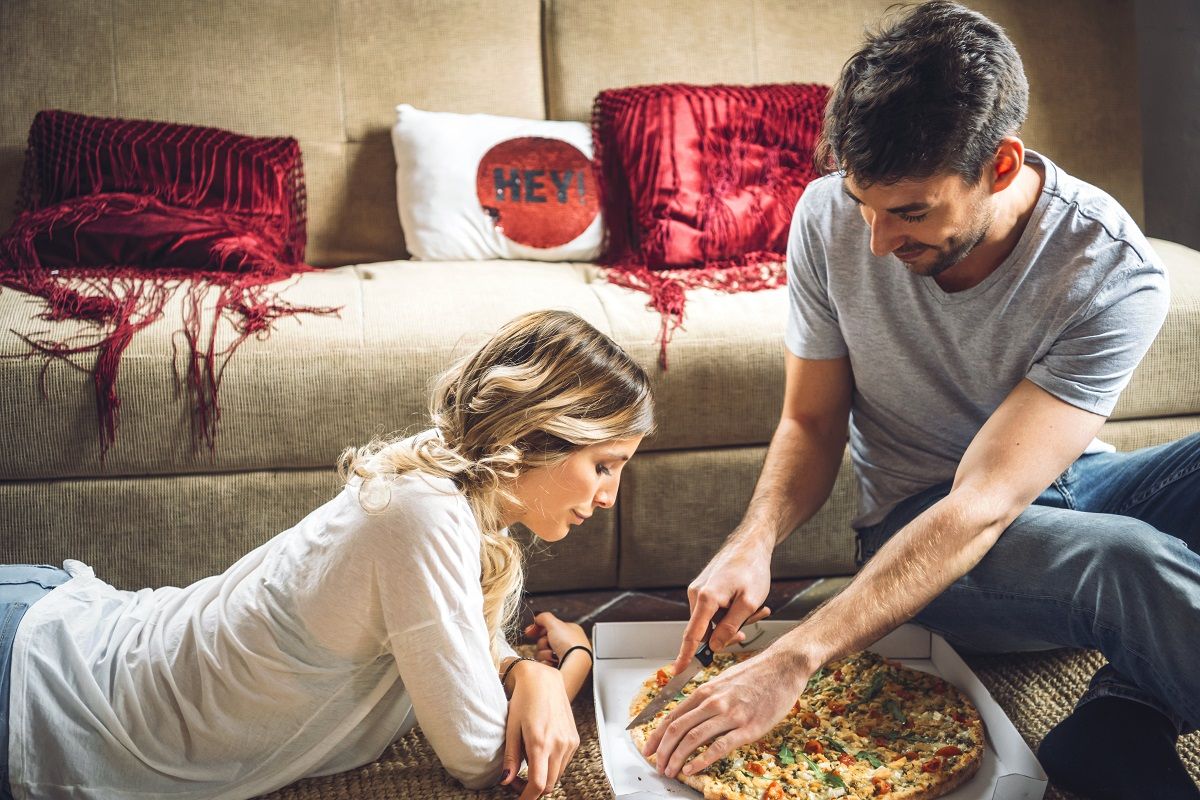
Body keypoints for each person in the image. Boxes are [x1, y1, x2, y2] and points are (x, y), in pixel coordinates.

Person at [641, 4, 1200, 799]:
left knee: (1121, 546)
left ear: (1001, 167)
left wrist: (792, 658)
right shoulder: (827, 216)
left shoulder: (1111, 270)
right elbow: (810, 418)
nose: (875, 241)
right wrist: (753, 540)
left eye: (910, 213)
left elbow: (988, 498)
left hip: (1034, 493)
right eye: (863, 202)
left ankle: (1120, 721)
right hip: (914, 531)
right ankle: (1132, 706)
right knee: (1125, 562)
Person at [0, 309, 655, 800]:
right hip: (45, 694)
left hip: (71, 629)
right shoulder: (421, 514)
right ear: (534, 436)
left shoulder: (447, 474)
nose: (608, 498)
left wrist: (519, 671)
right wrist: (568, 667)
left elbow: (454, 634)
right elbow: (487, 759)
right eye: (604, 466)